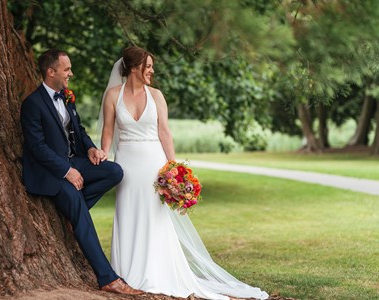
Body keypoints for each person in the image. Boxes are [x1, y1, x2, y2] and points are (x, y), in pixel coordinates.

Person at [99, 46, 269, 300]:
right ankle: (127, 273)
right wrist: (103, 153)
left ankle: (157, 272)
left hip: (153, 164)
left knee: (155, 218)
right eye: (148, 66)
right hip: (127, 165)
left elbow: (164, 132)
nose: (152, 71)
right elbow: (109, 132)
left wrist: (175, 169)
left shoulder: (156, 96)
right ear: (134, 67)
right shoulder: (113, 95)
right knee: (129, 214)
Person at [20, 49, 143, 295]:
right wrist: (67, 171)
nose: (71, 73)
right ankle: (108, 278)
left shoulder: (67, 97)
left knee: (114, 172)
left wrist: (91, 149)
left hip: (75, 161)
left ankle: (73, 212)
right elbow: (37, 147)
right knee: (79, 211)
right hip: (50, 173)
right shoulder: (32, 104)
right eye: (66, 69)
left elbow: (79, 129)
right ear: (50, 71)